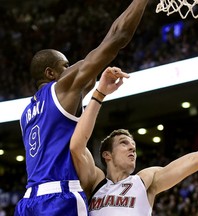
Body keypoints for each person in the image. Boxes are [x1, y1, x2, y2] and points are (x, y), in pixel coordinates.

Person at [70, 70, 198, 215]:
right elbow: (76, 146)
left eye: (133, 144)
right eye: (124, 143)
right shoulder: (95, 182)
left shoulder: (145, 180)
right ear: (107, 155)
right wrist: (100, 93)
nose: (132, 147)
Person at [14, 0, 149, 215]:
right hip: (59, 197)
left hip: (27, 202)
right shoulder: (61, 89)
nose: (72, 70)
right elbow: (116, 38)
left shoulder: (25, 115)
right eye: (66, 66)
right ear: (51, 74)